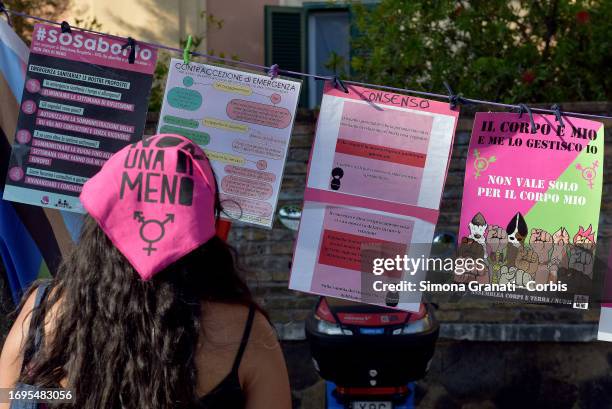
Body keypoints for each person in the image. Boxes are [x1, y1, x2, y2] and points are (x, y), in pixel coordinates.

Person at [0, 134, 292, 409]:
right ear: (204, 230)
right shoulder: (247, 333)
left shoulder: (43, 311)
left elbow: (6, 397)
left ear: (99, 223)